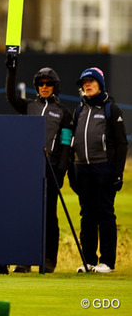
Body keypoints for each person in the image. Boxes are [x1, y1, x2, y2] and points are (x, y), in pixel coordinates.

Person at [4, 57, 72, 273]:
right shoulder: (28, 106)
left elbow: (66, 144)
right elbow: (10, 96)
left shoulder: (63, 112)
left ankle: (49, 259)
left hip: (51, 169)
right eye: (41, 84)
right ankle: (24, 259)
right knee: (27, 213)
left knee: (49, 216)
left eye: (48, 84)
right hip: (28, 169)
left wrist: (60, 171)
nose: (44, 87)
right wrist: (11, 71)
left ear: (54, 87)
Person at [70, 67, 127, 274]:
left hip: (104, 168)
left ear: (100, 84)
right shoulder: (79, 110)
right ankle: (88, 261)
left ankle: (108, 262)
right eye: (84, 83)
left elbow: (122, 144)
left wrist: (118, 173)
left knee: (105, 214)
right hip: (82, 169)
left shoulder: (111, 109)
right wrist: (71, 171)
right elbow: (72, 143)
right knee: (87, 216)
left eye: (91, 81)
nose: (87, 85)